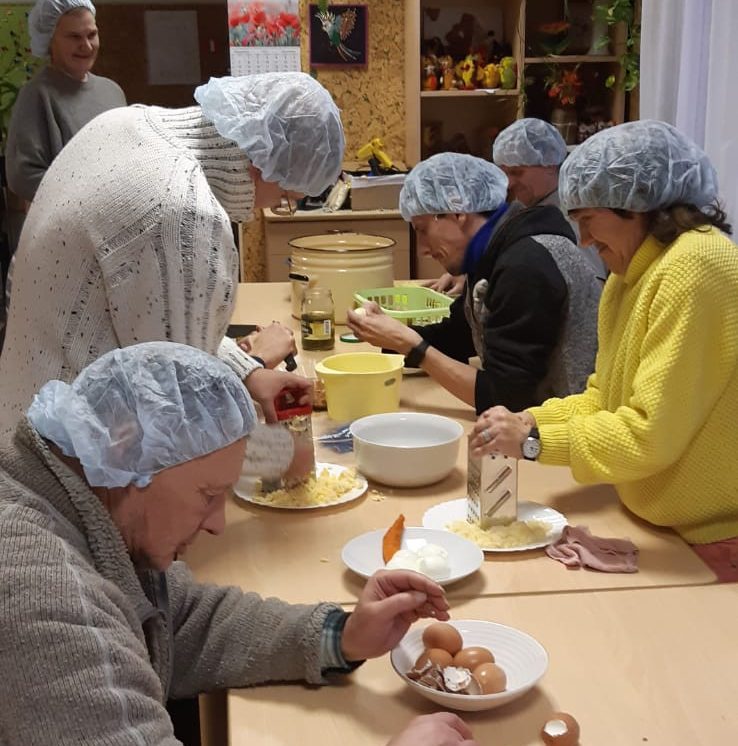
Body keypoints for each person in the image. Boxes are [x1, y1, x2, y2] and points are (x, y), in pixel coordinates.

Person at [0, 342, 478, 745]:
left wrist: (343, 635)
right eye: (208, 495)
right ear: (125, 451)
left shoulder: (93, 504)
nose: (217, 524)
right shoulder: (46, 596)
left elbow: (184, 624)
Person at [0, 71, 345, 436]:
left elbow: (162, 326)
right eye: (285, 198)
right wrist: (254, 379)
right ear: (263, 162)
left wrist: (249, 371)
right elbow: (180, 413)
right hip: (61, 452)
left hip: (19, 418)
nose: (270, 208)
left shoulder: (122, 123)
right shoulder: (184, 211)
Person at [469, 120, 738, 582]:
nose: (585, 241)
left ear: (638, 205)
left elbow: (649, 433)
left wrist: (534, 443)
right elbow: (603, 398)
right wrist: (528, 420)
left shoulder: (696, 267)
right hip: (655, 521)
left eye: (588, 220)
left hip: (710, 537)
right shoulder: (628, 275)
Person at [347, 152, 601, 415]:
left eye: (422, 230)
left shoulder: (526, 265)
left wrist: (412, 347)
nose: (422, 249)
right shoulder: (493, 252)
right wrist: (388, 335)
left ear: (457, 212)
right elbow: (459, 335)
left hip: (565, 424)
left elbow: (507, 397)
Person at [424, 118, 607, 294]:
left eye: (517, 172)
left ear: (550, 165)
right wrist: (467, 272)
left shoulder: (573, 216)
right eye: (504, 173)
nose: (509, 183)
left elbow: (593, 288)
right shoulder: (524, 204)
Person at [5, 0, 126, 204]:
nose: (86, 46)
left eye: (92, 35)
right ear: (50, 40)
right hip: (70, 221)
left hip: (117, 215)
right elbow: (22, 177)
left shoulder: (112, 92)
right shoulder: (37, 95)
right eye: (74, 37)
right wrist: (90, 197)